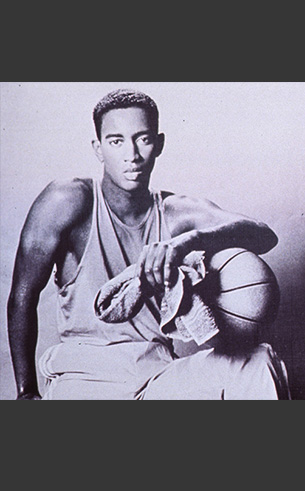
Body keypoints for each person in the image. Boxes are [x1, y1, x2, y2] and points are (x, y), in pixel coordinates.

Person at [6, 89, 289, 400]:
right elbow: (22, 295)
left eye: (142, 139)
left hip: (158, 374)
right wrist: (25, 392)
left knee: (258, 362)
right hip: (85, 377)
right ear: (98, 149)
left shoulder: (176, 212)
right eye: (116, 141)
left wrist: (188, 242)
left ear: (159, 144)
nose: (132, 154)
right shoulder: (68, 200)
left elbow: (264, 235)